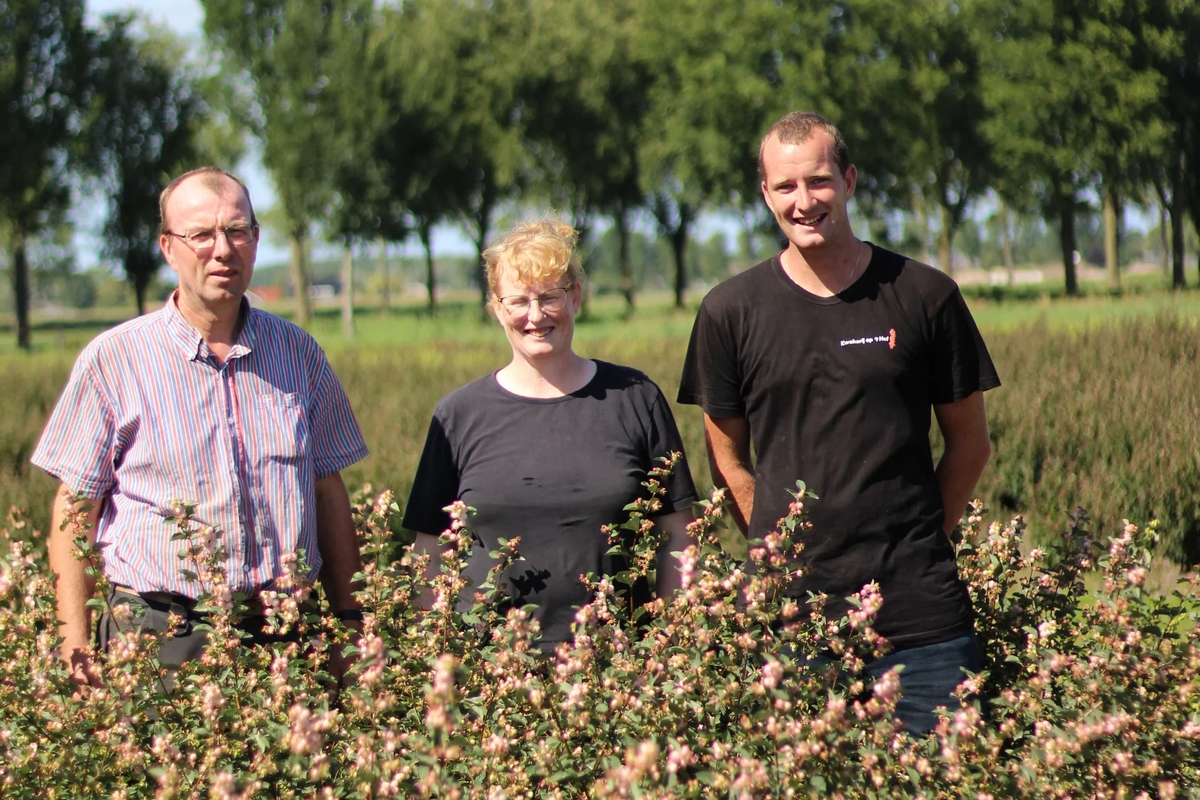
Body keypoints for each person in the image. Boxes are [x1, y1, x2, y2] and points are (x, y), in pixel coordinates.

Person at [677, 112, 1000, 734]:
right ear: (765, 194)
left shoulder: (926, 295)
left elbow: (970, 445)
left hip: (922, 625)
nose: (805, 202)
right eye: (786, 187)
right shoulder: (729, 312)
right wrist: (777, 553)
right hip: (791, 628)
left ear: (849, 181)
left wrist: (920, 543)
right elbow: (726, 459)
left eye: (819, 182)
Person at [32, 167, 369, 689]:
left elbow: (328, 492)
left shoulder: (299, 354)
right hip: (158, 638)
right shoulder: (114, 359)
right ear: (169, 248)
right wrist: (75, 649)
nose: (223, 249)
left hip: (284, 635)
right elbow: (74, 509)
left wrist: (351, 625)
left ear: (255, 240)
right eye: (202, 235)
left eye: (237, 231)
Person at [402, 220, 697, 650]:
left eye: (549, 297)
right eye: (518, 300)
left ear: (575, 296)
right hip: (492, 680)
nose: (535, 315)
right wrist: (441, 665)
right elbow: (429, 552)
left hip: (618, 671)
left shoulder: (635, 399)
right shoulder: (458, 416)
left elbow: (679, 534)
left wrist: (668, 648)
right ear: (497, 308)